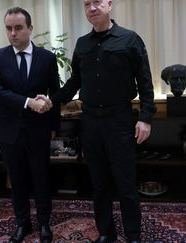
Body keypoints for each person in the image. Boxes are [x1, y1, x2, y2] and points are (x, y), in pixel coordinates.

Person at [39, 0, 156, 242]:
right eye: (87, 4)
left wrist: (145, 118)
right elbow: (74, 83)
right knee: (99, 183)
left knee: (125, 183)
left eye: (97, 2)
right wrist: (52, 100)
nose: (92, 8)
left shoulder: (130, 39)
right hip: (90, 121)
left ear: (109, 4)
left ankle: (133, 235)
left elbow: (145, 81)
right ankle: (106, 232)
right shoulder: (82, 44)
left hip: (119, 120)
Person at [0, 7, 59, 243]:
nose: (13, 33)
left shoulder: (47, 58)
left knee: (41, 179)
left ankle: (44, 223)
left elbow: (54, 94)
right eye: (9, 28)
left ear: (30, 28)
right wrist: (28, 102)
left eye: (18, 28)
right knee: (17, 181)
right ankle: (22, 224)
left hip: (39, 130)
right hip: (9, 131)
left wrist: (54, 126)